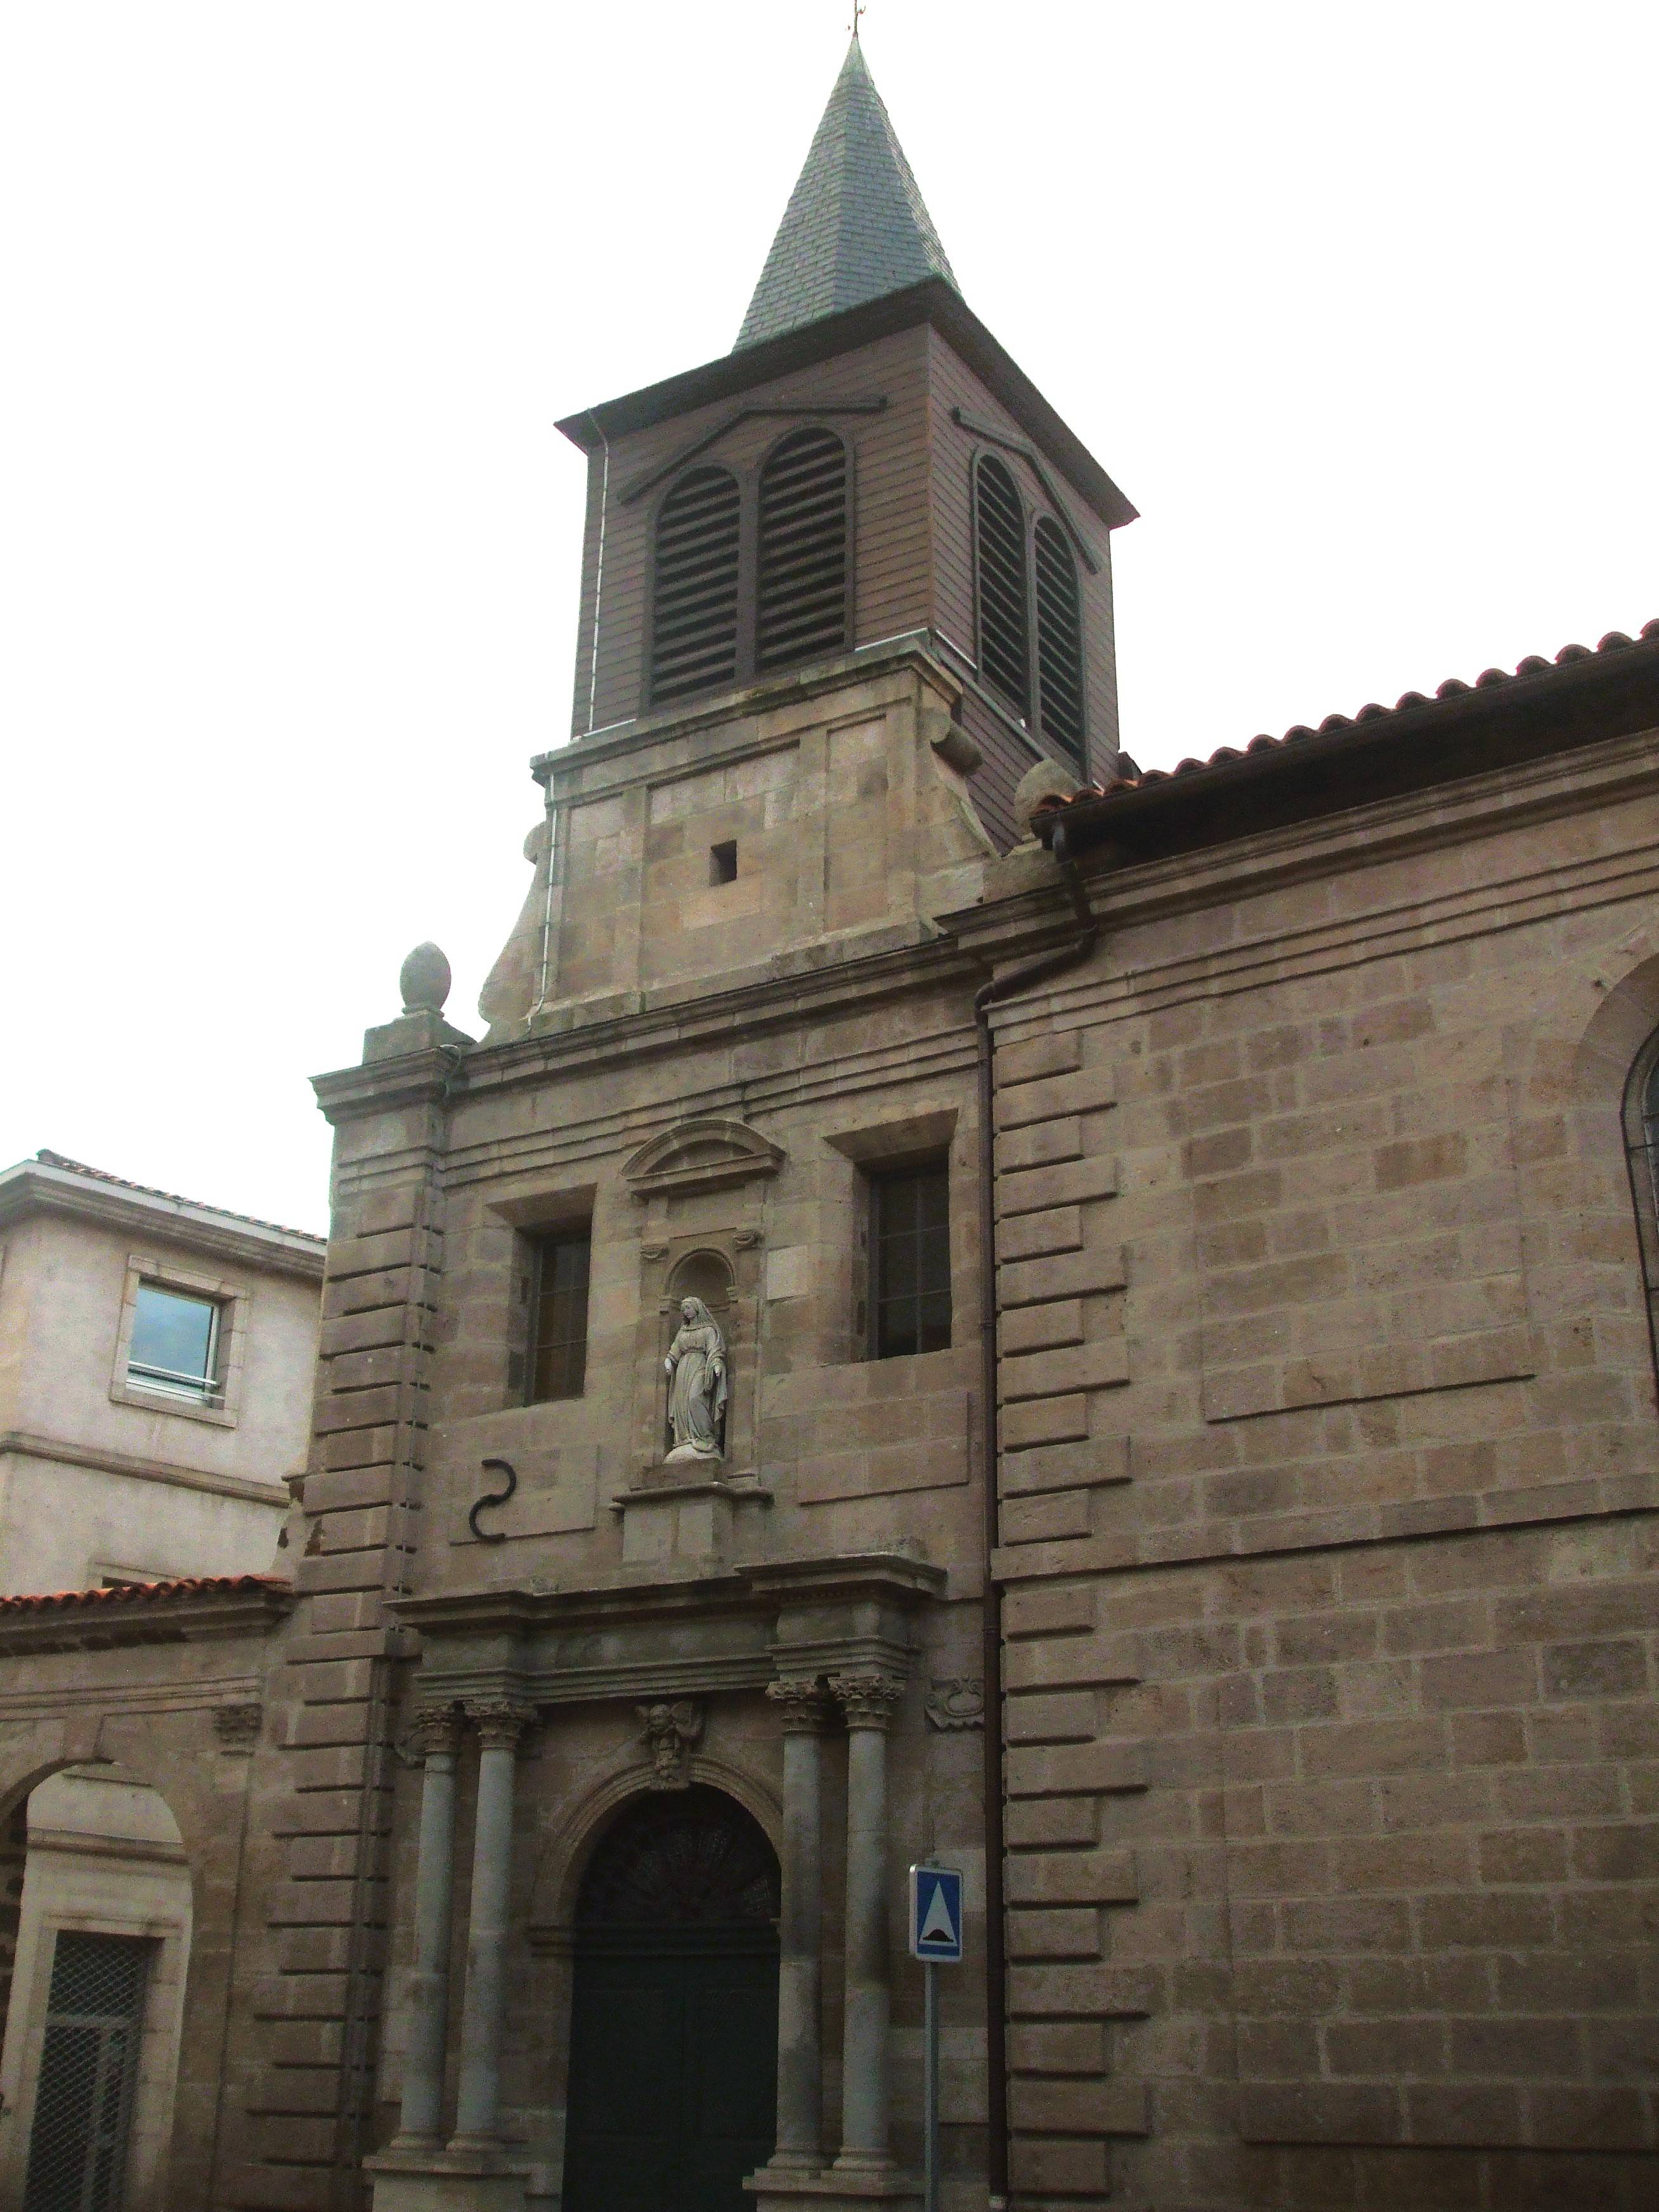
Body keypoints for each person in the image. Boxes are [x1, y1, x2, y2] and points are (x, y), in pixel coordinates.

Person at [664, 1296, 727, 1459]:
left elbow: (714, 1350)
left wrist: (716, 1365)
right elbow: (675, 1350)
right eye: (684, 1309)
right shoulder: (683, 1332)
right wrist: (669, 1361)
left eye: (689, 1308)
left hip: (700, 1366)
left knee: (695, 1398)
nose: (686, 1312)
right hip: (683, 1369)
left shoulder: (708, 1330)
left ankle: (704, 1437)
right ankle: (686, 1438)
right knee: (682, 1403)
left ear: (697, 1308)